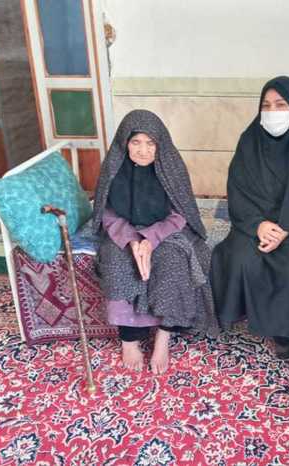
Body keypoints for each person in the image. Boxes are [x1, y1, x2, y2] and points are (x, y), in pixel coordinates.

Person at [210, 76, 289, 365]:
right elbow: (237, 190)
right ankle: (274, 329)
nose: (272, 112)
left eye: (280, 105)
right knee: (241, 256)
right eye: (266, 106)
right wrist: (259, 225)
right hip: (256, 223)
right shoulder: (249, 140)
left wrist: (286, 228)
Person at [92, 110, 216, 374]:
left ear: (160, 144)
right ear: (125, 143)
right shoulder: (113, 168)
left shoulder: (171, 167)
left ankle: (163, 338)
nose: (143, 150)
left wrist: (150, 239)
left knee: (173, 262)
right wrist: (131, 240)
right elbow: (107, 212)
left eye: (151, 143)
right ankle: (129, 340)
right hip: (123, 230)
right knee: (116, 261)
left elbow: (180, 213)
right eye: (136, 142)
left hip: (165, 230)